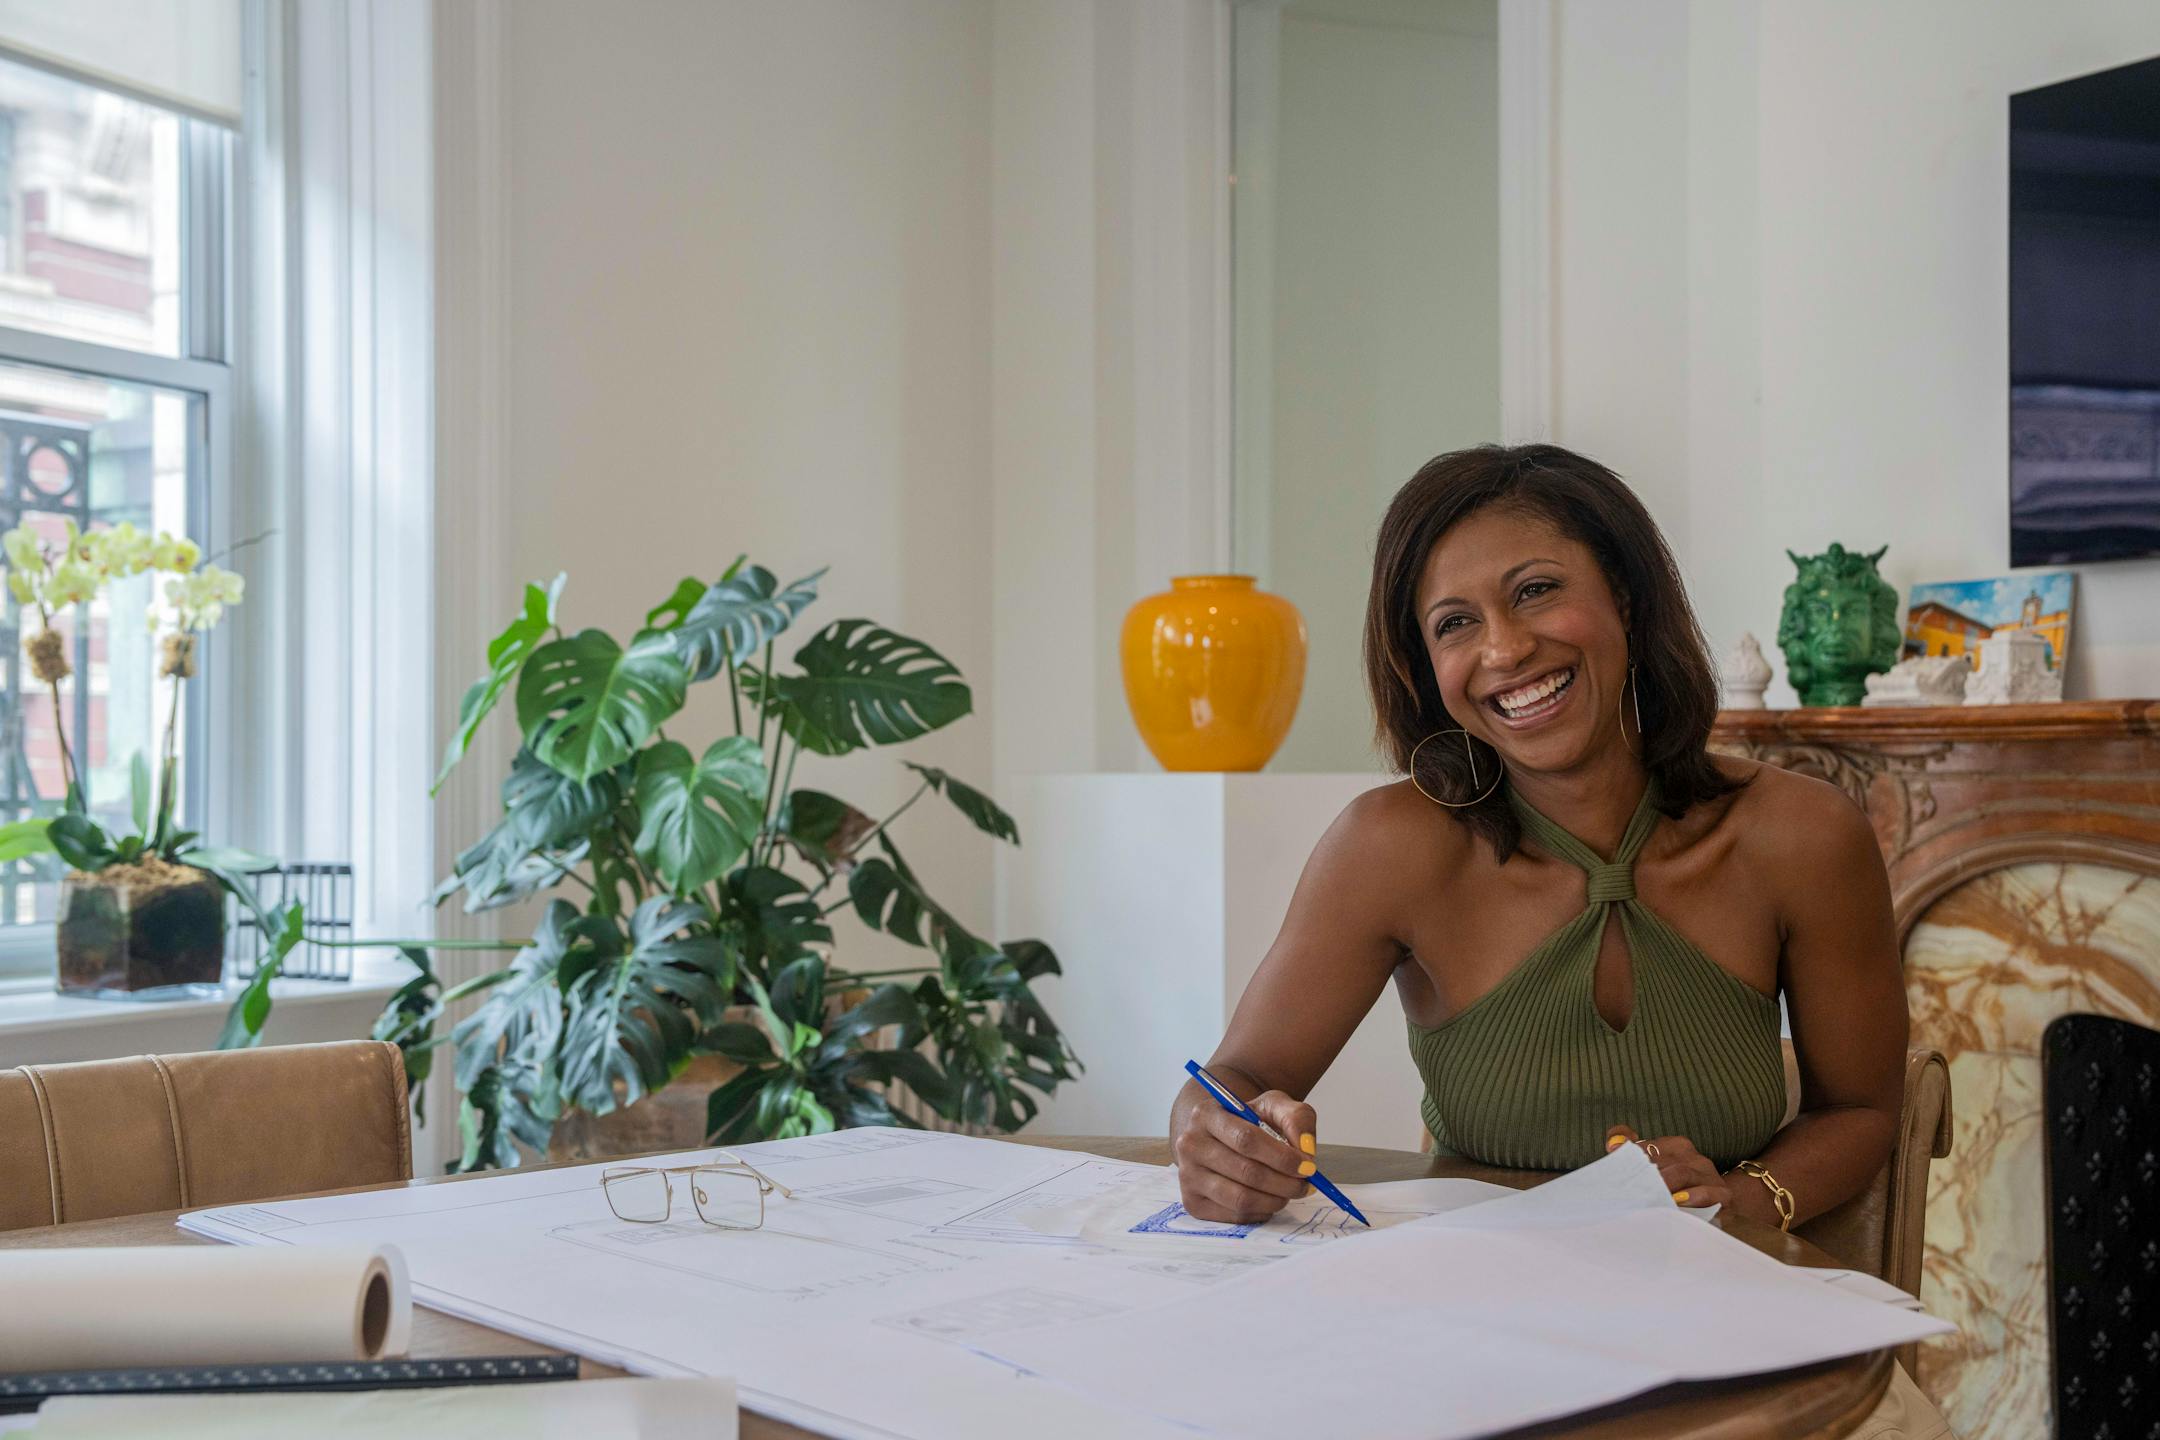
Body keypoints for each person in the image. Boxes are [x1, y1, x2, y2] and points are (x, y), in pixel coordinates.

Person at [1166, 443, 1946, 1436]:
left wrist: (1747, 1197)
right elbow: (1234, 1077)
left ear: (1624, 595)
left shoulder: (1801, 836)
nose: (1504, 650)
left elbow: (1867, 1108)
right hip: (1468, 1341)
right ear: (1425, 666)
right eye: (1456, 624)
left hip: (1729, 1336)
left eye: (1536, 592)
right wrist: (1216, 1139)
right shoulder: (1388, 848)